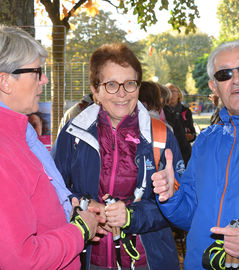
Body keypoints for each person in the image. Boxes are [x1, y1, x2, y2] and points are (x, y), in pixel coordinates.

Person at [52, 43, 183, 270]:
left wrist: (131, 216)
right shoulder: (73, 133)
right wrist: (83, 205)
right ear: (96, 90)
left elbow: (180, 206)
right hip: (88, 258)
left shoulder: (160, 135)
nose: (122, 93)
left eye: (130, 84)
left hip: (148, 259)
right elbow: (54, 190)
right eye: (111, 84)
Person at [151, 40, 239, 269]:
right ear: (214, 87)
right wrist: (170, 196)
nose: (236, 79)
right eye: (224, 74)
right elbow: (190, 216)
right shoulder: (206, 140)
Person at [0, 25, 105, 269]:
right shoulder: (5, 150)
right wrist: (79, 231)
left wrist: (73, 209)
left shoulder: (22, 133)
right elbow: (20, 259)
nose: (44, 80)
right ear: (5, 81)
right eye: (37, 72)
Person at [163, 83, 196, 166]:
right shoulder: (161, 111)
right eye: (168, 91)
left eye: (173, 91)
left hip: (184, 152)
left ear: (178, 94)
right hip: (167, 151)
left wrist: (191, 136)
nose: (171, 94)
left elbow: (192, 132)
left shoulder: (186, 111)